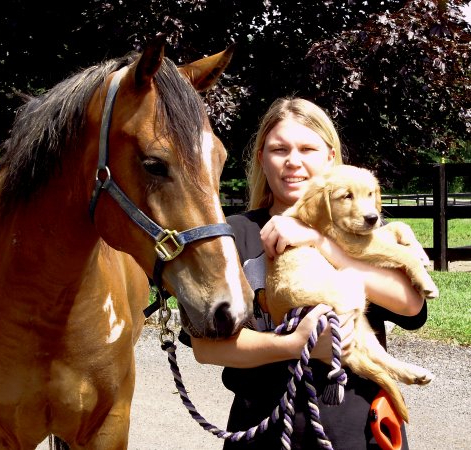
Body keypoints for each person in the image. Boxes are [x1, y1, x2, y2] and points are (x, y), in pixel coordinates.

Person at [180, 97, 427, 449]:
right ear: (261, 158)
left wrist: (323, 245)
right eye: (279, 149)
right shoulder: (233, 234)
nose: (293, 161)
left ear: (329, 157)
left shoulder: (359, 226)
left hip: (360, 432)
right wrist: (292, 345)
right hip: (264, 432)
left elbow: (410, 304)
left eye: (307, 149)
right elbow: (206, 348)